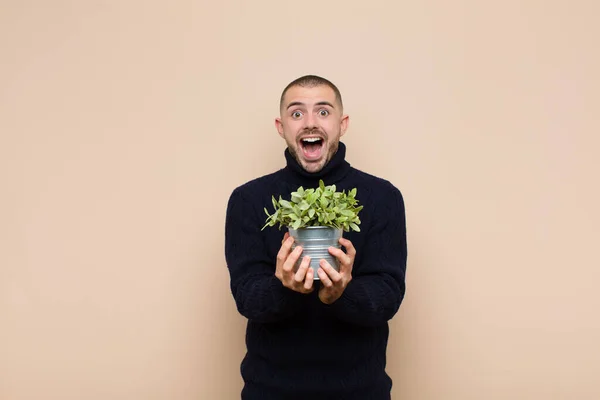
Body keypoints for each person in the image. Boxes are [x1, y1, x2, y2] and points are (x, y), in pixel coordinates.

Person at [224, 75, 407, 399]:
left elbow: (387, 296)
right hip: (270, 392)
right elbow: (247, 296)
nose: (310, 123)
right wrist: (285, 288)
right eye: (297, 113)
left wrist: (339, 293)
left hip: (361, 392)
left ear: (342, 123)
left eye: (323, 112)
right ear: (281, 127)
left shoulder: (382, 197)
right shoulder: (248, 200)